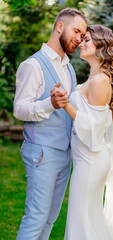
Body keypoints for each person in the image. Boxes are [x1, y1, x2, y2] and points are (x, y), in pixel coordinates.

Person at [51, 25, 113, 240]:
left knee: (81, 221)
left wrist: (65, 104)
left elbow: (95, 128)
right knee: (87, 218)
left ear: (101, 46)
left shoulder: (100, 81)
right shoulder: (96, 76)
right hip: (87, 158)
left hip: (91, 159)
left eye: (87, 39)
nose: (81, 43)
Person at [13, 7, 87, 240]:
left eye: (83, 35)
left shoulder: (69, 67)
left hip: (64, 154)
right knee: (36, 218)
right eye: (77, 31)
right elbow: (19, 109)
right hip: (42, 153)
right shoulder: (33, 65)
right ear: (59, 27)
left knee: (50, 220)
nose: (80, 38)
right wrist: (49, 104)